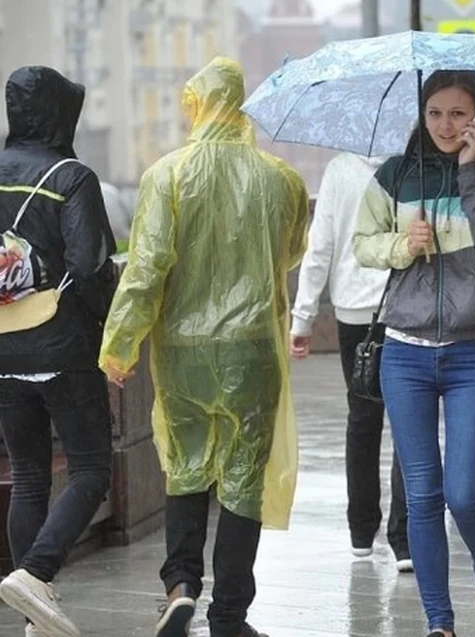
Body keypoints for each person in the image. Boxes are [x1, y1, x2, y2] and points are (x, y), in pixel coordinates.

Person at [98, 57, 310, 637]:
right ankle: (231, 616)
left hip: (184, 352)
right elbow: (289, 254)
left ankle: (181, 587)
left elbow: (144, 271)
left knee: (186, 471)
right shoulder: (282, 179)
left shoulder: (164, 175)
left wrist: (119, 345)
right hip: (251, 353)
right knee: (243, 478)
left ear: (195, 104)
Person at [352, 70, 475, 637]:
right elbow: (362, 244)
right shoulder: (395, 176)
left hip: (473, 353)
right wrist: (405, 244)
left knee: (465, 492)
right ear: (422, 116)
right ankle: (439, 623)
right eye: (435, 113)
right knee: (422, 495)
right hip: (406, 353)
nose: (446, 125)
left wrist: (470, 172)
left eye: (458, 114)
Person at [0, 65, 116, 637]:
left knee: (28, 475)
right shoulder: (72, 177)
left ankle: (32, 617)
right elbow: (90, 268)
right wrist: (109, 338)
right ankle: (38, 574)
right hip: (62, 346)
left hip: (1, 350)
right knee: (93, 468)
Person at [289, 152, 411, 571]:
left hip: (355, 315)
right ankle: (404, 538)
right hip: (406, 309)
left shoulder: (340, 170)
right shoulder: (413, 162)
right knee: (408, 422)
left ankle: (362, 531)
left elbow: (319, 246)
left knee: (362, 420)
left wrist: (303, 318)